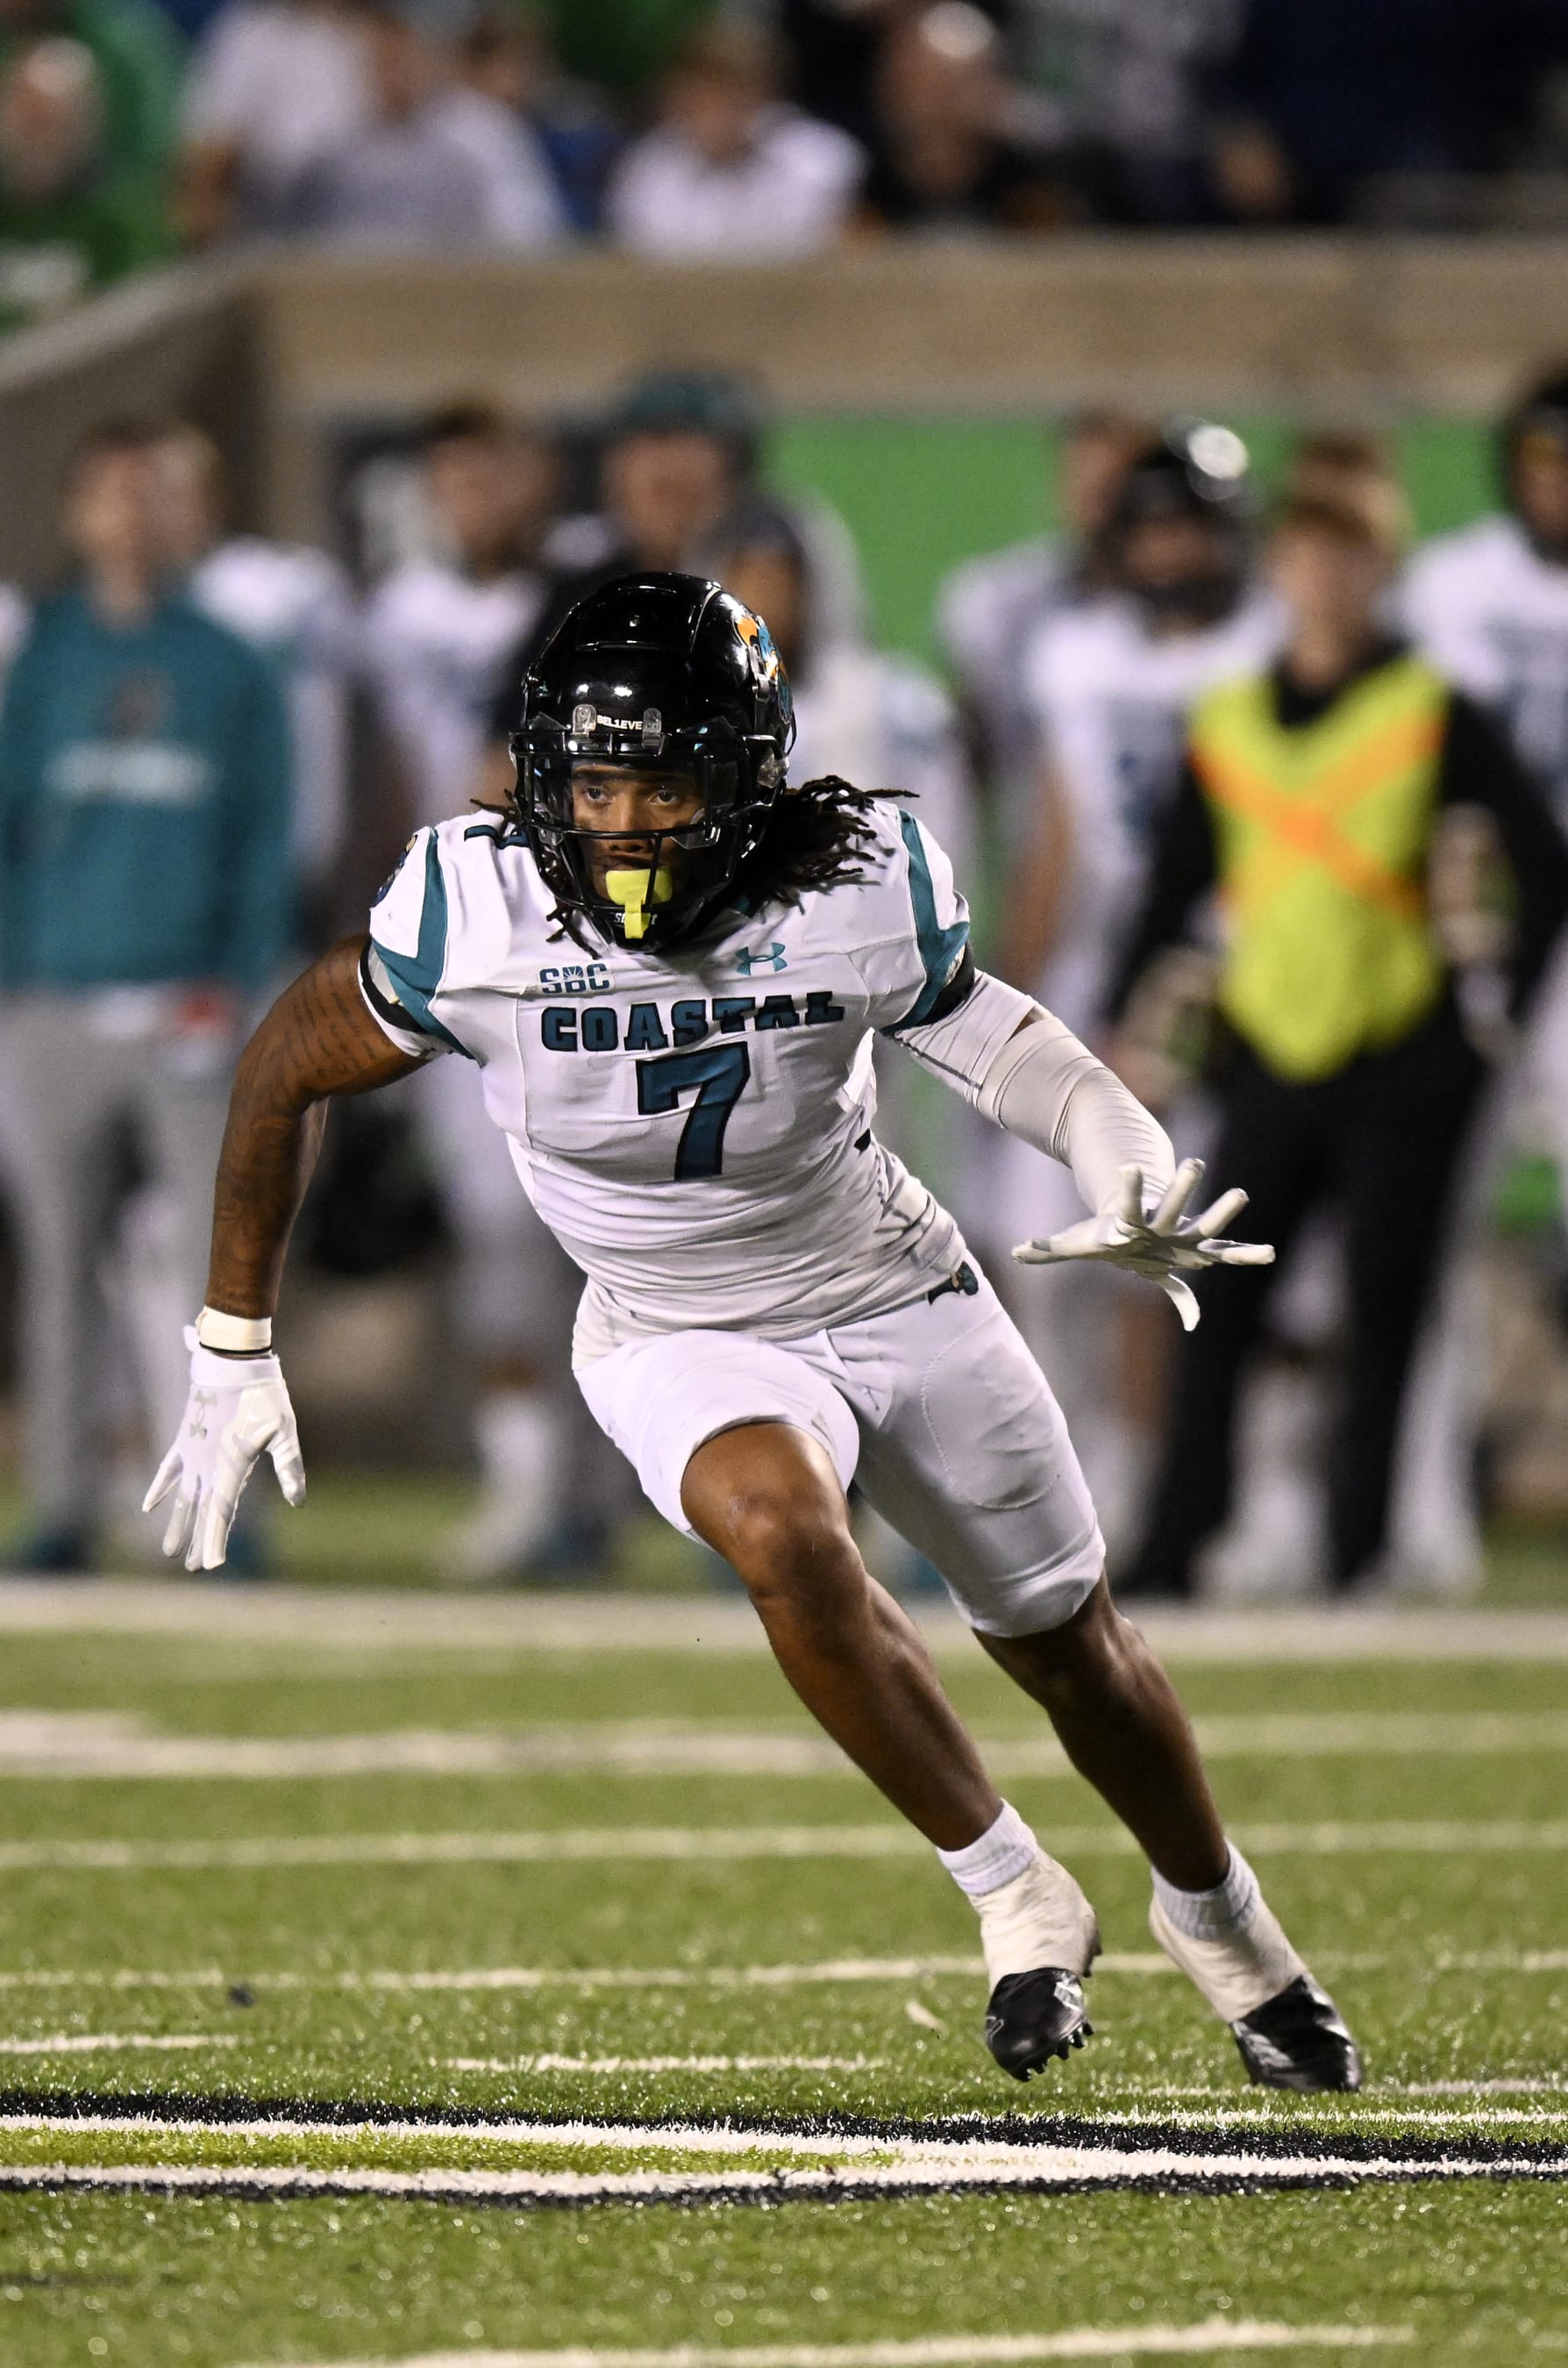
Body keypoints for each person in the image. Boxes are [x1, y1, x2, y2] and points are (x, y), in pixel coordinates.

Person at [146, 568, 1361, 2095]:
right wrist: (231, 1340)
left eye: (661, 779)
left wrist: (1121, 1161)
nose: (623, 820)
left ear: (741, 773)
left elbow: (1018, 1055)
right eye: (591, 779)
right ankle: (1009, 1889)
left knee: (1074, 1655)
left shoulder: (845, 883)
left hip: (891, 1289)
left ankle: (1226, 1927)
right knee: (782, 1532)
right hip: (672, 1325)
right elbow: (280, 1068)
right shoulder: (476, 908)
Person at [1106, 490, 1568, 1600]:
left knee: (1384, 1312)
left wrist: (1481, 1023)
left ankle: (1357, 1549)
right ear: (1279, 570)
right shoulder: (1228, 718)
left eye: (1347, 558)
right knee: (1212, 1301)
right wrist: (1132, 1023)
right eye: (1305, 555)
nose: (1323, 580)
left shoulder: (1430, 707)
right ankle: (1180, 1540)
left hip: (1402, 1047)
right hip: (1265, 1044)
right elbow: (1175, 883)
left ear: (1382, 570)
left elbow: (1540, 864)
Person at [0, 417, 291, 1572]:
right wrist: (19, 979)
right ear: (77, 514)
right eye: (110, 493)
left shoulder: (229, 663)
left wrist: (236, 977)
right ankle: (64, 1504)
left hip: (190, 1005)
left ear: (186, 511)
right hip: (59, 1003)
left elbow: (266, 838)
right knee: (57, 1266)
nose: (132, 515)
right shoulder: (44, 658)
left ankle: (229, 1514)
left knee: (220, 1280)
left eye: (152, 493)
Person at [992, 425, 1280, 1539]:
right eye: (1151, 529)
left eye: (1188, 528)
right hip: (1098, 964)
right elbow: (1058, 834)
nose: (1168, 552)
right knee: (1043, 1244)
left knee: (1191, 1241)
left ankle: (1192, 1483)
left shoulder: (1266, 645)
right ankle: (1074, 1470)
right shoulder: (1075, 650)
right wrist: (1005, 994)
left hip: (1239, 964)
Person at [365, 401, 591, 1580]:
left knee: (613, 1235)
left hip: (572, 951)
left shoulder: (587, 601)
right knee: (494, 1233)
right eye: (453, 474)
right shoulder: (392, 614)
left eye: (494, 470)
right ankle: (526, 1485)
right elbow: (379, 769)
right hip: (449, 955)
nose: (476, 496)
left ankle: (613, 1488)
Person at [157, 421, 360, 945]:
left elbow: (352, 714)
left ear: (214, 497)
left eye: (177, 493)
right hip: (173, 867)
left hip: (278, 860)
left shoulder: (280, 589)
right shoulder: (118, 620)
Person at [935, 406, 1145, 846]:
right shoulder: (1002, 605)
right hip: (1031, 854)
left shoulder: (1186, 616)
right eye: (1089, 490)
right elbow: (970, 761)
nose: (1101, 514)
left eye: (1116, 493)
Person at [289, 0, 566, 251]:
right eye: (384, 61)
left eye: (405, 59)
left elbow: (530, 232)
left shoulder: (483, 129)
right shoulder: (336, 141)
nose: (396, 74)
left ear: (432, 57)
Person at [608, 17, 863, 259]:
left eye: (729, 90)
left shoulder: (819, 160)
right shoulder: (646, 172)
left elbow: (847, 252)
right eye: (700, 93)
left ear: (764, 93)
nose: (714, 107)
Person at [0, 32, 171, 331]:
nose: (34, 135)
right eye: (24, 117)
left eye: (49, 120)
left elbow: (133, 321)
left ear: (87, 125)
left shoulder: (123, 220)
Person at [178, 0, 370, 242]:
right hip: (273, 211)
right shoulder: (250, 35)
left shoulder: (375, 32)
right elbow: (211, 149)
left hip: (363, 209)